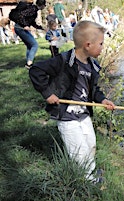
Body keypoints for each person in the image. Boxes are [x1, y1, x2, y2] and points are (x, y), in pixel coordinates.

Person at [29, 20, 115, 182]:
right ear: (88, 45)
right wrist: (48, 93)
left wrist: (102, 100)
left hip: (83, 114)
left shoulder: (92, 66)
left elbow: (93, 90)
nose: (102, 47)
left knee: (90, 144)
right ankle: (87, 182)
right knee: (79, 150)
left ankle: (90, 172)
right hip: (66, 116)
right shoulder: (63, 61)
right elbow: (36, 70)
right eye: (101, 44)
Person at [13, 0, 46, 69]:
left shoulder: (34, 10)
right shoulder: (32, 9)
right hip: (20, 28)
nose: (45, 7)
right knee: (34, 45)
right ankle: (29, 64)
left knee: (30, 45)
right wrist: (24, 25)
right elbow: (21, 15)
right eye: (44, 5)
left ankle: (28, 62)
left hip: (21, 28)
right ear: (42, 5)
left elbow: (32, 23)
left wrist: (42, 28)